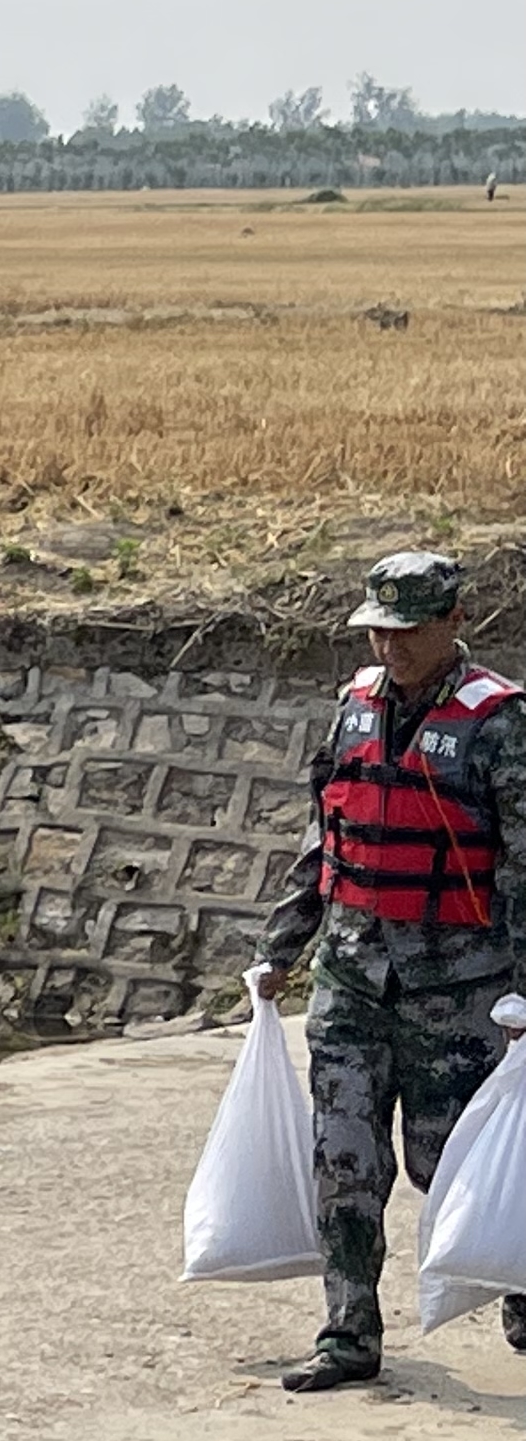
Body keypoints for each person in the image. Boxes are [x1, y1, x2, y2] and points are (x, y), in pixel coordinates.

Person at [251, 551, 526, 1391]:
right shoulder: (353, 711)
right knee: (344, 1160)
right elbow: (327, 839)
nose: (390, 646)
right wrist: (281, 949)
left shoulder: (500, 724)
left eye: (407, 631)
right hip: (352, 982)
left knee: (459, 1166)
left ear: (452, 624)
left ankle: (520, 1297)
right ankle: (348, 1334)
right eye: (379, 630)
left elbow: (523, 864)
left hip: (462, 993)